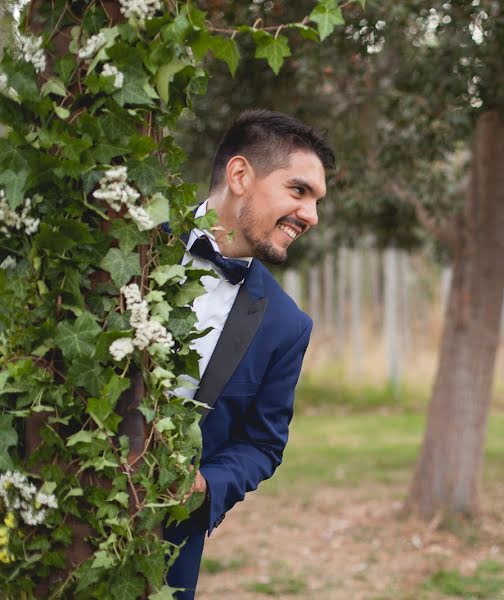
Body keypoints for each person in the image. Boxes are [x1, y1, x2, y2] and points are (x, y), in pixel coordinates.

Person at [163, 110, 335, 598]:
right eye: (299, 191)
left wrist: (203, 486)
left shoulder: (286, 325)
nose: (312, 216)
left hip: (166, 550)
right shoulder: (132, 242)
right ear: (240, 175)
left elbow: (262, 444)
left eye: (317, 201)